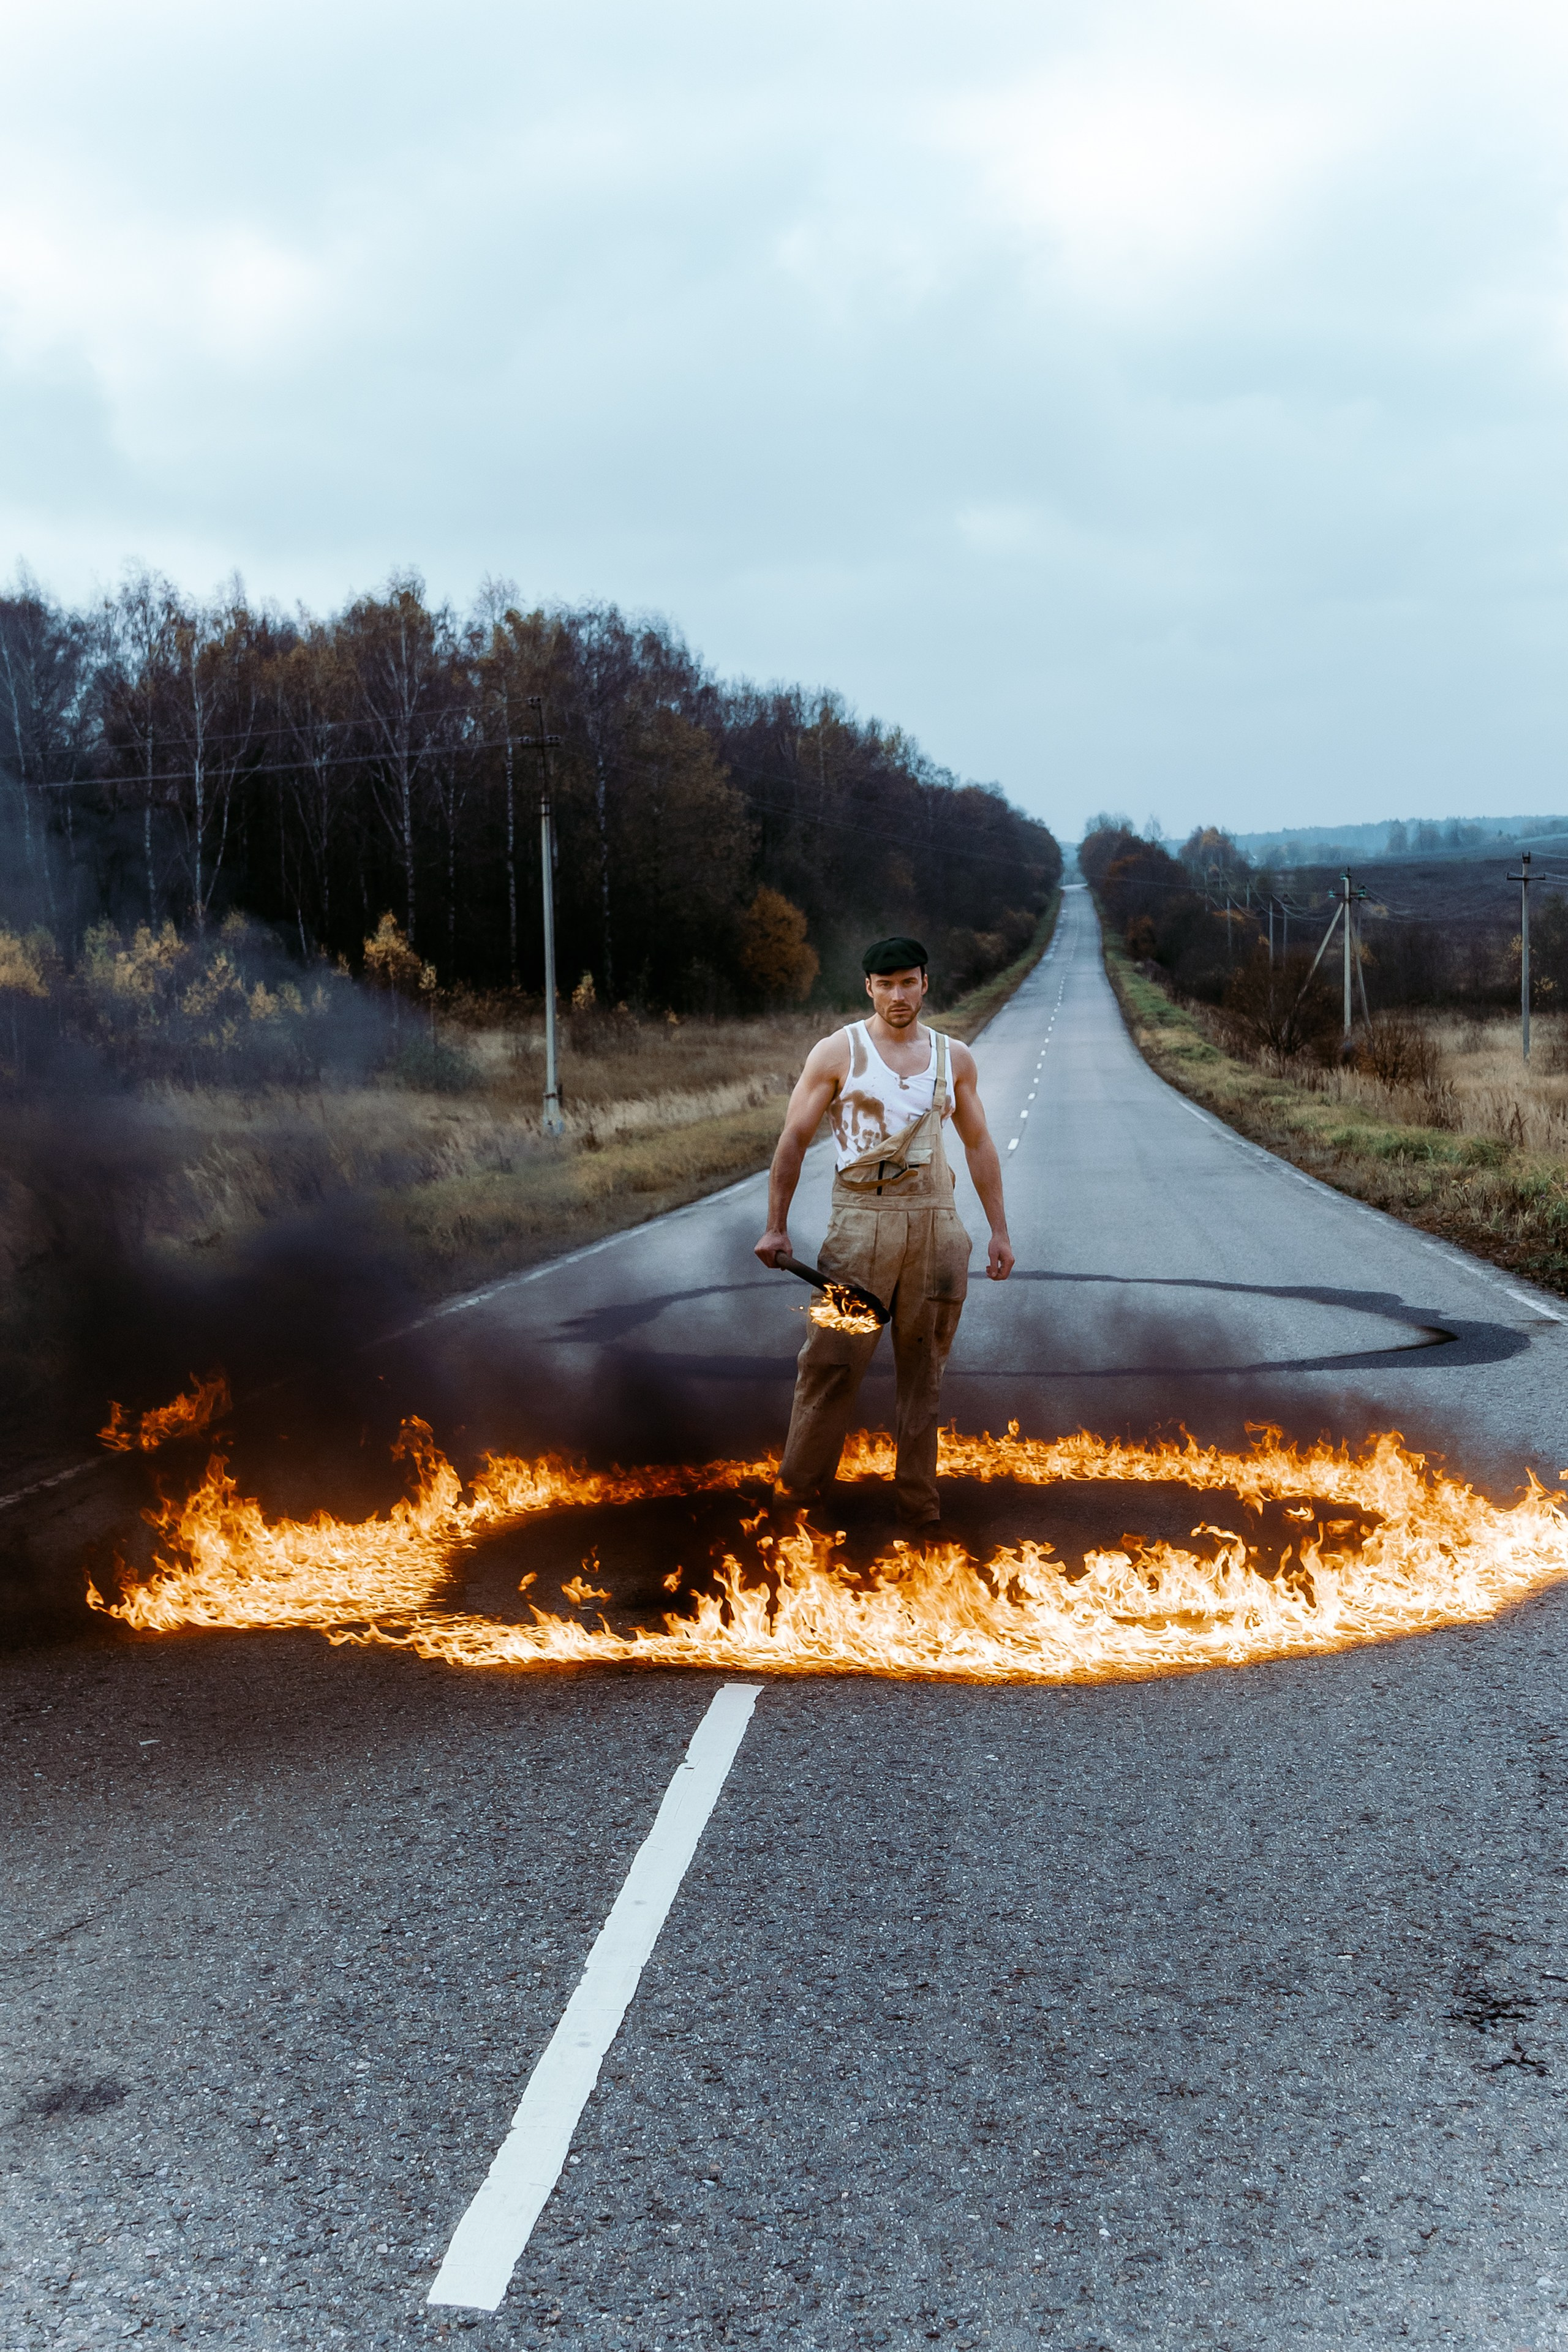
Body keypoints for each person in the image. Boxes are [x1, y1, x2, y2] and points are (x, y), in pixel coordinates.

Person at [754, 935, 1014, 1530]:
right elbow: (792, 1139)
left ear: (926, 983)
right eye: (886, 984)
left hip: (936, 1228)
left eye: (908, 982)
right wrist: (775, 1226)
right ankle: (796, 1509)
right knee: (830, 1368)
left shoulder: (955, 1058)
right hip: (858, 1230)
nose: (898, 995)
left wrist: (999, 1230)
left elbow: (978, 1145)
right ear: (868, 988)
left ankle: (919, 1514)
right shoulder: (837, 1052)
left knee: (924, 1380)